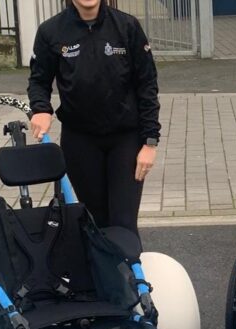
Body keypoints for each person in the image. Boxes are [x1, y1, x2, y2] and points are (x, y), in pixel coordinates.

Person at [27, 0, 160, 234]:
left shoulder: (127, 26)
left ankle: (128, 270)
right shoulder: (51, 31)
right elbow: (39, 80)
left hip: (125, 140)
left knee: (123, 224)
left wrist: (150, 141)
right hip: (80, 141)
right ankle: (99, 270)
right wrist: (41, 109)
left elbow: (147, 85)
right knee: (94, 221)